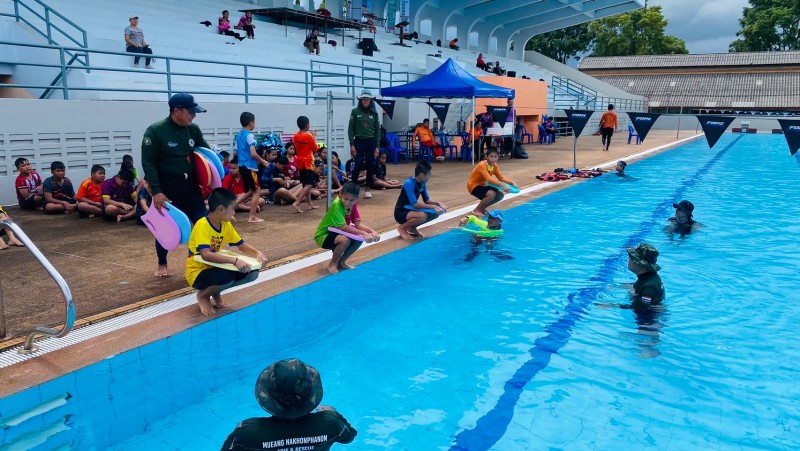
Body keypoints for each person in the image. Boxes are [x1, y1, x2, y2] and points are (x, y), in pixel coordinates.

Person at [141, 92, 210, 278]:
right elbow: (148, 163)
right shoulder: (156, 131)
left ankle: (197, 260)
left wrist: (210, 181)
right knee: (166, 227)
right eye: (191, 112)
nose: (194, 115)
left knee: (203, 223)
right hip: (167, 187)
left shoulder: (193, 130)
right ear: (177, 111)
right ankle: (162, 263)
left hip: (191, 186)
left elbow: (205, 155)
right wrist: (157, 191)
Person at [220, 358, 357, 450]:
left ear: (269, 396)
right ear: (311, 395)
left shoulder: (248, 432)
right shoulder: (331, 423)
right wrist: (332, 413)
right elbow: (349, 436)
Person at [186, 188, 267, 316]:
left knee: (252, 274)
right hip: (197, 273)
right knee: (227, 276)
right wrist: (235, 261)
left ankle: (215, 292)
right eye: (233, 209)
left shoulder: (225, 225)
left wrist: (258, 253)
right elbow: (206, 255)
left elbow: (241, 245)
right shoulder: (202, 225)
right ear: (221, 208)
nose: (234, 213)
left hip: (215, 269)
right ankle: (203, 296)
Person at [314, 181, 379, 274]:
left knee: (359, 239)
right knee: (344, 240)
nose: (348, 202)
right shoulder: (336, 205)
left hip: (337, 232)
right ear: (340, 194)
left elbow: (358, 223)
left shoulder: (353, 204)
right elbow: (343, 227)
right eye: (345, 199)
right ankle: (332, 264)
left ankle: (342, 262)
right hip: (323, 235)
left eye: (351, 200)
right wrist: (364, 233)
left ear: (356, 199)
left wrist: (372, 232)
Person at [394, 160, 447, 240]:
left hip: (410, 210)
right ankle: (402, 228)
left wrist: (438, 204)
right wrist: (434, 207)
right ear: (422, 175)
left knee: (435, 213)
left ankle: (412, 228)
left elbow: (427, 200)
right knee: (422, 216)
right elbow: (415, 204)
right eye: (429, 175)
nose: (430, 177)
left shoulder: (422, 183)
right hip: (401, 212)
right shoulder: (409, 183)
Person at [235, 112, 268, 223]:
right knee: (257, 190)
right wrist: (263, 162)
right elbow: (253, 153)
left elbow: (236, 152)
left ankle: (229, 208)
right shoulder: (250, 136)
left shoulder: (238, 136)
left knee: (249, 191)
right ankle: (252, 216)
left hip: (242, 166)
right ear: (251, 122)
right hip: (250, 167)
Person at [347, 89, 381, 199]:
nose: (365, 101)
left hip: (371, 141)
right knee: (357, 164)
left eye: (367, 99)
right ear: (360, 100)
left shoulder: (374, 113)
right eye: (363, 99)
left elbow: (377, 130)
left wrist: (377, 146)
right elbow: (351, 128)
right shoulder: (355, 112)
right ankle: (353, 189)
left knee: (370, 165)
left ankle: (368, 188)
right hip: (359, 141)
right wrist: (352, 144)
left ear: (371, 100)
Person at [466, 148, 516, 218]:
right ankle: (477, 210)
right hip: (473, 185)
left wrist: (512, 183)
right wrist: (502, 184)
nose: (493, 159)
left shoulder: (495, 166)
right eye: (491, 156)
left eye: (495, 157)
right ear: (486, 157)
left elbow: (501, 178)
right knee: (491, 194)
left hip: (483, 185)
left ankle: (482, 208)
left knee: (499, 195)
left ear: (498, 157)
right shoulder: (482, 165)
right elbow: (489, 179)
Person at [292, 115, 319, 212]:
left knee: (305, 184)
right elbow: (315, 148)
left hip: (300, 162)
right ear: (307, 125)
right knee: (309, 184)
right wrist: (314, 136)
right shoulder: (309, 136)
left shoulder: (295, 135)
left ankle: (309, 204)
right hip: (308, 162)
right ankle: (297, 202)